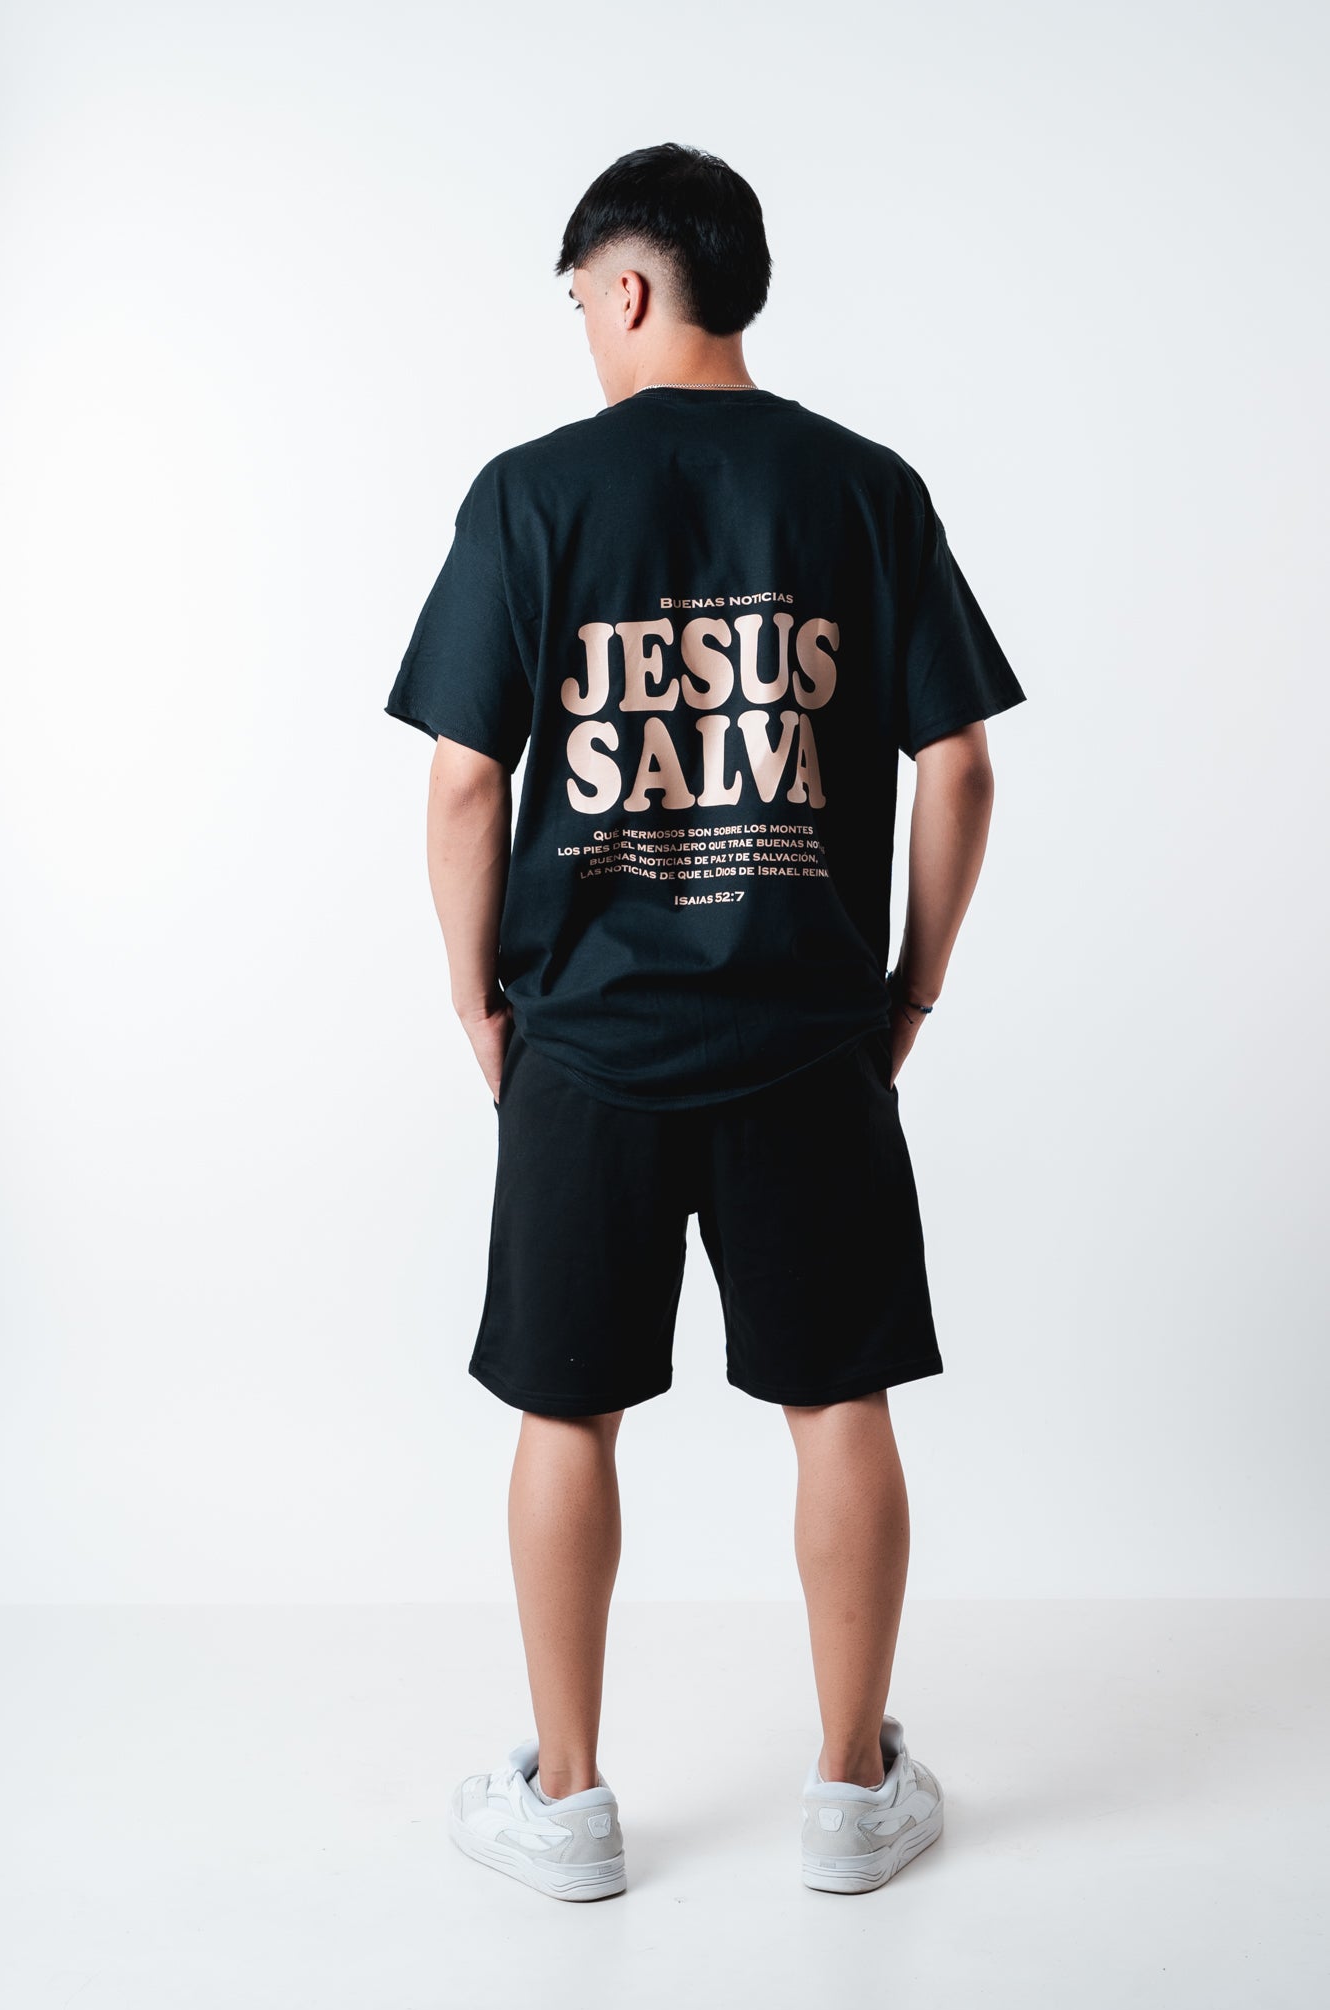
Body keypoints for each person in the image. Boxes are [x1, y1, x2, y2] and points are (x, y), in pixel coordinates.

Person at [384, 143, 1027, 1902]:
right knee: (839, 1405)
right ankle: (848, 1794)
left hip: (584, 1043)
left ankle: (569, 1803)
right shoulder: (864, 488)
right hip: (810, 1041)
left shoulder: (530, 493)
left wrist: (476, 998)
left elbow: (463, 782)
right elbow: (960, 763)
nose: (582, 331)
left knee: (565, 1415)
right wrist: (910, 986)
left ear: (628, 286)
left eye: (579, 301)